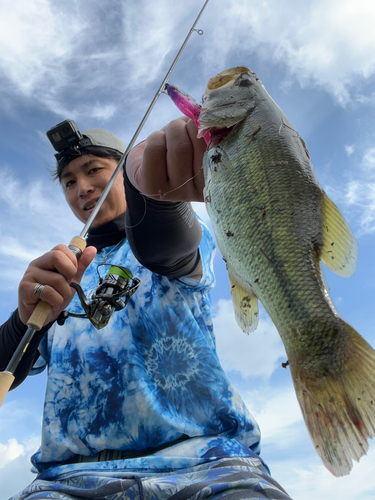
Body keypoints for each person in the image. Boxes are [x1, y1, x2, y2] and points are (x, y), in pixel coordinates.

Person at [1, 117, 292, 500]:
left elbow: (167, 246)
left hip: (209, 466)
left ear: (126, 173)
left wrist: (152, 185)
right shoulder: (58, 275)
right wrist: (24, 317)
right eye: (69, 181)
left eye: (93, 170)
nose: (82, 188)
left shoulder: (189, 232)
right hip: (68, 481)